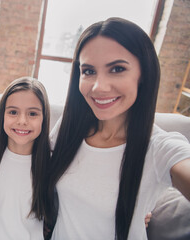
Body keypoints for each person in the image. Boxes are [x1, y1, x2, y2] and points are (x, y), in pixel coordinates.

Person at [45, 17, 190, 240]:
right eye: (88, 71)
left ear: (143, 74)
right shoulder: (69, 127)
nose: (99, 87)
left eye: (117, 68)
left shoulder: (160, 147)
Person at [0, 77, 51, 239]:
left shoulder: (51, 164)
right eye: (13, 112)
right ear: (2, 115)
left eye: (32, 113)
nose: (22, 121)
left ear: (44, 118)